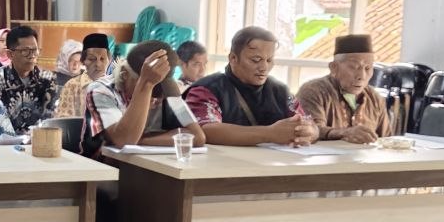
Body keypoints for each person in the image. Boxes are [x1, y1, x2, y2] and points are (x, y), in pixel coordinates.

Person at [184, 26, 318, 147]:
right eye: (256, 60)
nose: (264, 67)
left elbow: (309, 124)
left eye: (269, 60)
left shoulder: (280, 90)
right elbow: (206, 130)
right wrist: (269, 133)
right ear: (233, 58)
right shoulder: (207, 89)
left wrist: (309, 132)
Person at [80, 40, 206, 157]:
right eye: (150, 85)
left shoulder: (168, 90)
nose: (153, 98)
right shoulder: (101, 90)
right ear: (125, 74)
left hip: (147, 165)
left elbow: (197, 137)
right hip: (105, 168)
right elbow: (124, 140)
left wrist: (141, 140)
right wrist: (146, 85)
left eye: (157, 87)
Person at [296, 33, 393, 143]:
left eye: (367, 68)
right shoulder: (313, 91)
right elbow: (308, 131)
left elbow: (386, 140)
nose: (361, 76)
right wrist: (343, 133)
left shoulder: (375, 98)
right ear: (334, 68)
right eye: (354, 67)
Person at [0, 25, 59, 133]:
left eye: (35, 50)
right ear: (10, 54)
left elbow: (50, 118)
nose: (32, 56)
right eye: (25, 51)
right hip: (5, 140)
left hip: (39, 138)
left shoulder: (47, 79)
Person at [56, 33, 109, 117]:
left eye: (102, 59)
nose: (98, 64)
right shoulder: (72, 86)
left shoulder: (115, 86)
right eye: (92, 59)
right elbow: (64, 120)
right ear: (84, 61)